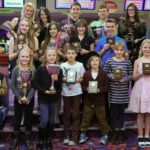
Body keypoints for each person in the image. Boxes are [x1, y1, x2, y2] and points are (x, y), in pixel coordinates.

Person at [32, 48, 63, 150]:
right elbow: (34, 83)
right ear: (46, 57)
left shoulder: (59, 69)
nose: (51, 57)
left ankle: (48, 140)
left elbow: (59, 87)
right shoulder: (41, 69)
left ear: (56, 57)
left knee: (51, 120)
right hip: (44, 98)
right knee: (44, 119)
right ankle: (41, 140)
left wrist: (57, 79)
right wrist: (44, 91)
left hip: (54, 98)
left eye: (53, 55)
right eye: (49, 55)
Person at [104, 41, 132, 144]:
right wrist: (113, 77)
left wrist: (124, 79)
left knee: (121, 113)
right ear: (113, 50)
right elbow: (105, 73)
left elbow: (131, 75)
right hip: (113, 93)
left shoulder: (127, 62)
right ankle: (114, 131)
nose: (119, 52)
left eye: (121, 50)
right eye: (117, 50)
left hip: (123, 93)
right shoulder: (109, 61)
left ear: (124, 50)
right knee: (113, 113)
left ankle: (120, 131)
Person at [79, 54, 110, 145]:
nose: (95, 62)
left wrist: (100, 89)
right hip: (88, 101)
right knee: (86, 118)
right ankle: (83, 133)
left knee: (102, 119)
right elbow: (83, 86)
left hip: (100, 101)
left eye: (97, 60)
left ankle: (105, 134)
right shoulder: (86, 74)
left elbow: (107, 86)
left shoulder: (103, 73)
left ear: (99, 62)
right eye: (93, 61)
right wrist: (87, 89)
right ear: (89, 63)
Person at [9, 47, 35, 150]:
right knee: (17, 118)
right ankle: (15, 139)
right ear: (19, 57)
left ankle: (28, 139)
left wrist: (28, 97)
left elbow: (34, 85)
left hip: (29, 98)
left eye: (26, 57)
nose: (24, 58)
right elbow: (12, 85)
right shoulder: (16, 69)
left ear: (30, 58)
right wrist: (18, 97)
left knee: (29, 118)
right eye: (22, 56)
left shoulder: (33, 69)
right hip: (18, 98)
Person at [61, 45, 85, 145]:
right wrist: (68, 79)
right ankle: (66, 134)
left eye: (73, 53)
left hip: (76, 92)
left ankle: (75, 135)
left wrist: (73, 80)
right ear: (66, 54)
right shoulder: (63, 65)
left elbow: (82, 78)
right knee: (66, 113)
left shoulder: (80, 65)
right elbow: (61, 78)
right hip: (66, 92)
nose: (71, 55)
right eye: (69, 53)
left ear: (76, 54)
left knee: (76, 114)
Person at [128, 39, 150, 147]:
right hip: (140, 87)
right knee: (140, 113)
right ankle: (140, 135)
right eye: (145, 47)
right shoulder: (138, 61)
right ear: (141, 48)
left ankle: (147, 135)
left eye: (149, 47)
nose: (147, 49)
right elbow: (134, 77)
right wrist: (141, 73)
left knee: (149, 113)